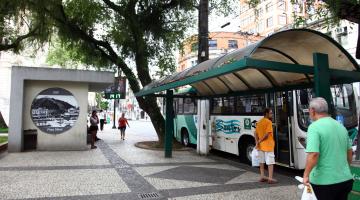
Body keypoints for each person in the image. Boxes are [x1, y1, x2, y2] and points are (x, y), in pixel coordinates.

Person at [303, 97, 353, 200]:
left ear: (312, 111)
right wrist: (344, 169)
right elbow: (349, 152)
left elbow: (314, 154)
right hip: (345, 180)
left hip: (324, 182)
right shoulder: (341, 127)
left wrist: (306, 175)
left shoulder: (314, 127)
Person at [254, 108, 277, 184]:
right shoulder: (269, 122)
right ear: (266, 114)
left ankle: (262, 176)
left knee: (261, 162)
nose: (272, 114)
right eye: (270, 113)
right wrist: (259, 141)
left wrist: (257, 142)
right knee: (270, 162)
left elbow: (255, 133)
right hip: (268, 146)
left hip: (260, 146)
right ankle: (270, 178)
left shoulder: (259, 122)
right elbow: (267, 135)